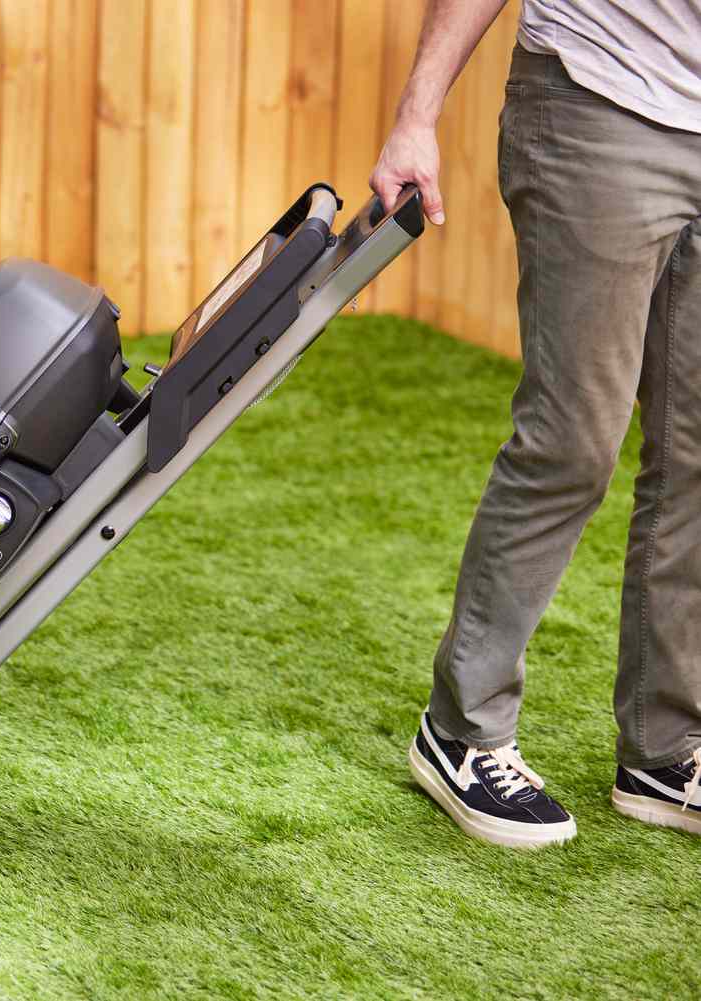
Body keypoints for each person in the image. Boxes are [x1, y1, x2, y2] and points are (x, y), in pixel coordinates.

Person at [370, 0, 701, 847]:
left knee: (697, 452)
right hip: (600, 105)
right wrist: (418, 113)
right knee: (573, 438)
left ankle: (665, 751)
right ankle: (463, 729)